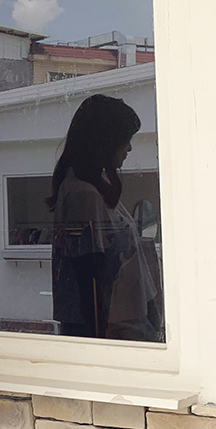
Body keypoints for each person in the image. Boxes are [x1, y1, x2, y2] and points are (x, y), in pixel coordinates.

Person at [48, 94, 162, 341]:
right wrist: (100, 340)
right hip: (112, 330)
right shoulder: (82, 194)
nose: (129, 148)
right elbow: (89, 280)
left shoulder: (93, 187)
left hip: (122, 323)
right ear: (105, 142)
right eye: (125, 139)